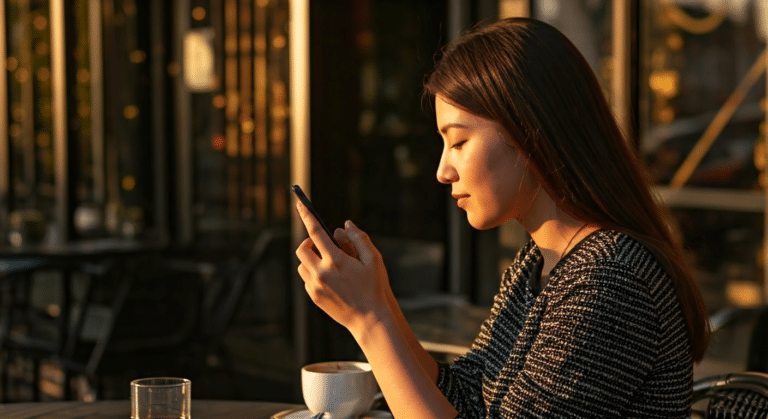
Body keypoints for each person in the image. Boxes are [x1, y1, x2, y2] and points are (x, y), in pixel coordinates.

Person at [295, 17, 711, 418]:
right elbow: (467, 399)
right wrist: (380, 298)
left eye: (458, 141)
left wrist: (370, 320)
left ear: (529, 131)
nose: (442, 170)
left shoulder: (611, 280)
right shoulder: (539, 264)